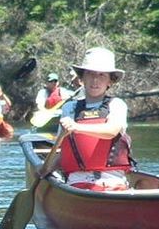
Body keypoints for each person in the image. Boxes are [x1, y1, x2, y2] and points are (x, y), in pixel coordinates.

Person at [52, 47, 134, 191]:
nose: (95, 80)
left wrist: (76, 127)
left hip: (113, 183)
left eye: (102, 75)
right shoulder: (69, 108)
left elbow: (112, 130)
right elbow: (64, 151)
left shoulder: (117, 105)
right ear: (82, 78)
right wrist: (45, 169)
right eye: (90, 74)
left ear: (110, 81)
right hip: (77, 183)